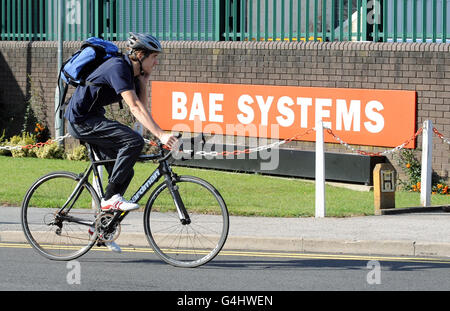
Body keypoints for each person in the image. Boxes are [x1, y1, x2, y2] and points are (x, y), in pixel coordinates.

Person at [65, 32, 177, 252]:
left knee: (127, 172)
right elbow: (134, 108)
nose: (157, 62)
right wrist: (161, 135)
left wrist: (144, 82)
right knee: (133, 141)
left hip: (93, 117)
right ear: (140, 55)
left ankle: (101, 228)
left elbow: (141, 109)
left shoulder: (133, 74)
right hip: (81, 120)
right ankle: (110, 200)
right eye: (154, 57)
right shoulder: (118, 67)